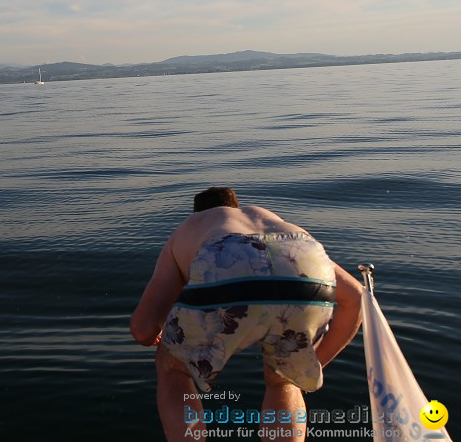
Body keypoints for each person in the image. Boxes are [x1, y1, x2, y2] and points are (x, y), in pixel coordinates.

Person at [130, 187, 363, 440]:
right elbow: (358, 298)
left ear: (198, 212)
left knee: (172, 367)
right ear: (236, 206)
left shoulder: (191, 226)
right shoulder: (271, 220)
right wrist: (310, 364)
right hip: (302, 254)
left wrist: (163, 337)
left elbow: (143, 329)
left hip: (225, 256)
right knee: (284, 380)